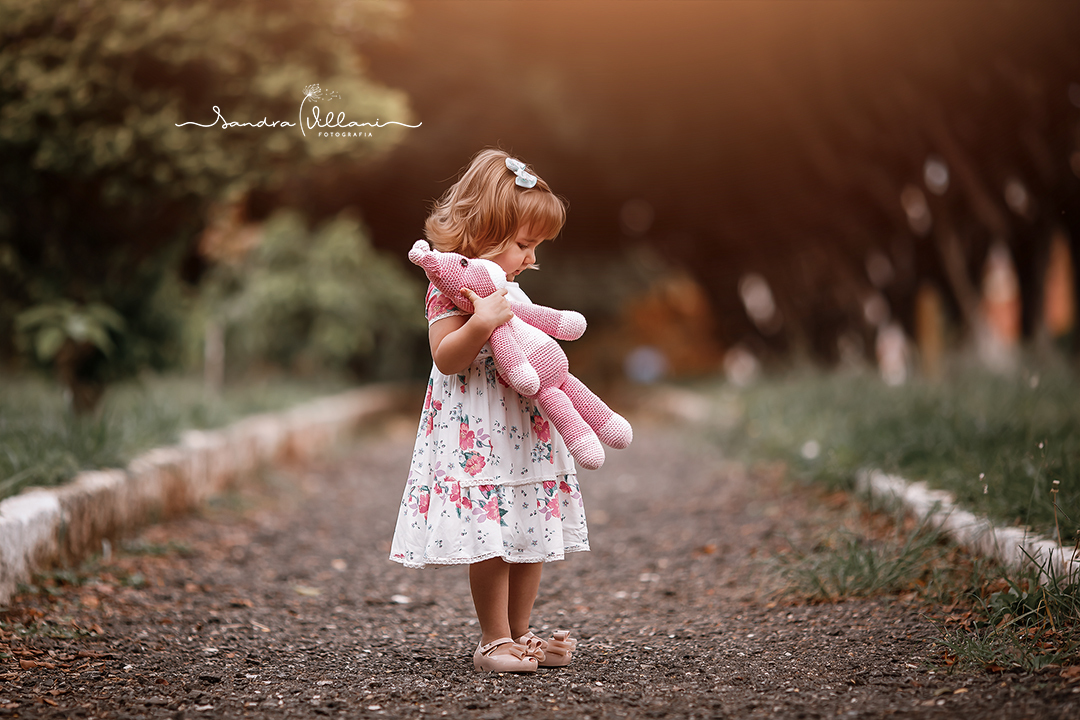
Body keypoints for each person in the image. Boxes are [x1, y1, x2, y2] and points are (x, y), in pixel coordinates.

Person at [390, 148, 585, 672]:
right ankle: (493, 638)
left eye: (536, 247)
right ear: (484, 231)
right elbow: (446, 358)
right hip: (476, 430)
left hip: (523, 423)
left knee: (531, 525)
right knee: (492, 530)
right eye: (524, 244)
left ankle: (522, 633)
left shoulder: (509, 289)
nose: (531, 258)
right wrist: (479, 323)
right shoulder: (447, 289)